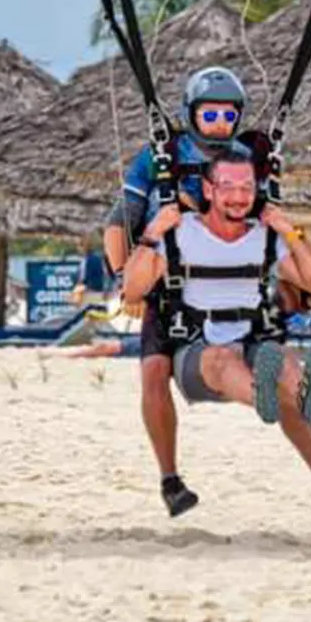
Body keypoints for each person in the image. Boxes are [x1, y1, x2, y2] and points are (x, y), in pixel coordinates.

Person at [123, 149, 311, 514]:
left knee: (283, 359)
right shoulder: (178, 234)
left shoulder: (266, 238)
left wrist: (292, 233)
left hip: (252, 345)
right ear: (208, 190)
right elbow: (131, 290)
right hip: (198, 355)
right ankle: (268, 398)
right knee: (223, 359)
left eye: (247, 187)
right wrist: (151, 233)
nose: (238, 196)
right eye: (228, 187)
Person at [103, 67, 259, 512]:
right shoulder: (158, 157)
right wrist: (122, 281)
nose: (219, 125)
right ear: (191, 114)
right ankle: (170, 480)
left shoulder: (243, 159)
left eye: (228, 116)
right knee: (153, 373)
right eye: (209, 115)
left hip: (221, 284)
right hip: (164, 287)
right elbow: (119, 224)